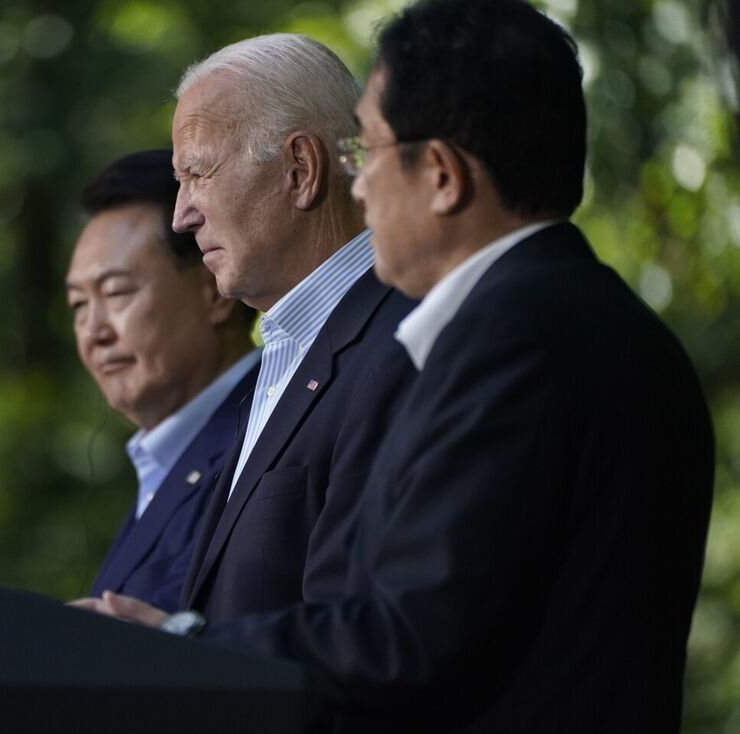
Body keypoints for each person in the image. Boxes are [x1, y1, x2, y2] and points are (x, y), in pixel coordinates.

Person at [86, 2, 715, 731]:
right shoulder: (599, 321)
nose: (357, 187)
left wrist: (177, 645)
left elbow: (415, 633)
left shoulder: (507, 340)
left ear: (442, 176)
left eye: (371, 155)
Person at [77, 34, 417, 624]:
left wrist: (182, 650)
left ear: (300, 169)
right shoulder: (288, 352)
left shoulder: (406, 343)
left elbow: (385, 626)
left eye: (198, 173)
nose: (182, 216)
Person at [67, 149, 259, 612]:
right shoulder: (161, 462)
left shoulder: (272, 430)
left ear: (214, 290)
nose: (95, 332)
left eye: (116, 293)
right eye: (78, 305)